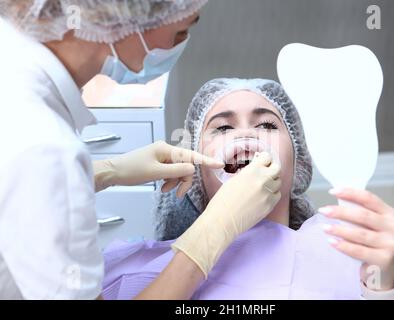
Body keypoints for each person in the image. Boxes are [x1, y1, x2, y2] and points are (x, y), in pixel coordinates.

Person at [0, 1, 280, 299]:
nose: (246, 135)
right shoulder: (44, 147)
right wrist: (213, 231)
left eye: (267, 125)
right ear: (118, 17)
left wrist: (108, 172)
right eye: (181, 30)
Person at [102, 78, 394, 300]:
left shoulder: (348, 248)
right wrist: (105, 172)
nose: (247, 133)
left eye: (267, 125)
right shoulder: (132, 265)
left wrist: (385, 287)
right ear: (194, 169)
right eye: (223, 127)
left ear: (297, 161)